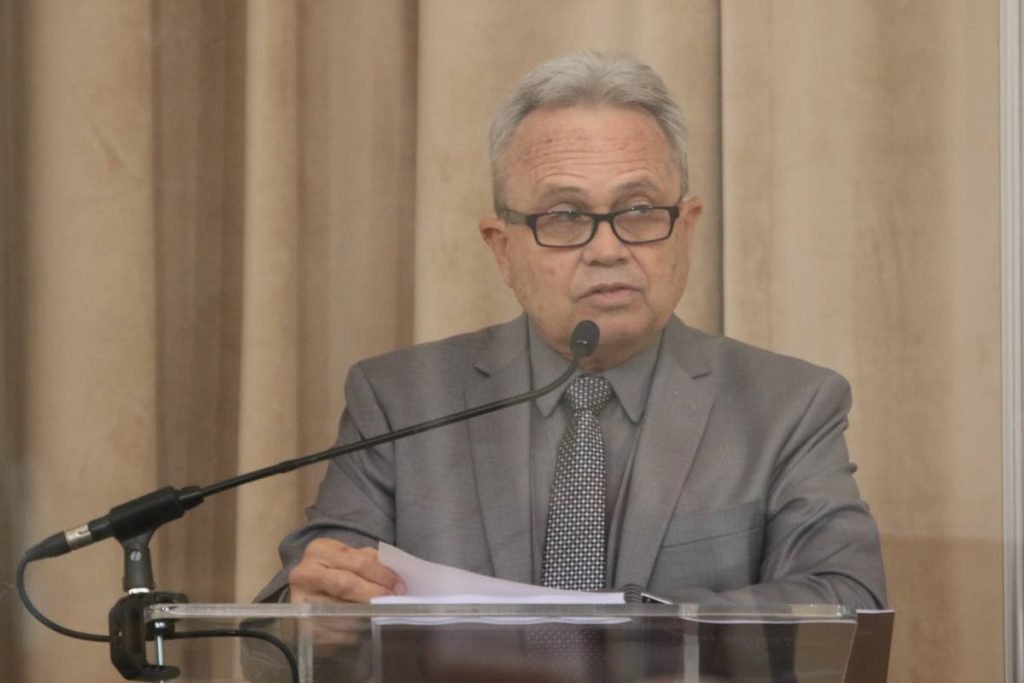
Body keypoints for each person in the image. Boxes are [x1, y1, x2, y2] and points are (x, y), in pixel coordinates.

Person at [256, 51, 886, 610]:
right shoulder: (399, 399)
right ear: (501, 248)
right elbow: (294, 617)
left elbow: (844, 599)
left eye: (639, 211)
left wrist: (617, 624)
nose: (608, 248)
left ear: (686, 228)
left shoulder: (788, 405)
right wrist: (316, 608)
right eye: (564, 216)